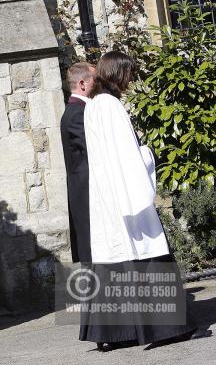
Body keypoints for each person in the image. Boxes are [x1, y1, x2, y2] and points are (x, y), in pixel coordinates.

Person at [80, 51, 211, 350]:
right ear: (117, 74)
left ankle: (116, 334)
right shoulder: (111, 106)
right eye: (128, 74)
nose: (131, 80)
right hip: (126, 195)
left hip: (107, 198)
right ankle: (172, 329)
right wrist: (146, 157)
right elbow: (127, 156)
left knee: (116, 262)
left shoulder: (93, 106)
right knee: (149, 257)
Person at [60, 62, 95, 264]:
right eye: (95, 81)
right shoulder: (76, 114)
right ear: (82, 84)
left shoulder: (80, 110)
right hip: (86, 194)